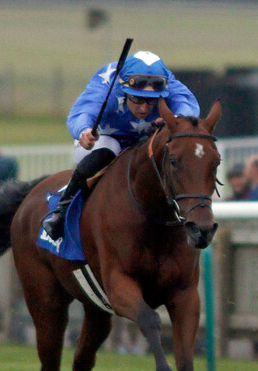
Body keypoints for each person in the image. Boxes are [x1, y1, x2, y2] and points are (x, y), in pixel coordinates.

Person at [41, 50, 200, 240]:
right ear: (124, 88)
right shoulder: (108, 84)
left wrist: (175, 120)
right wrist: (84, 130)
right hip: (105, 138)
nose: (143, 108)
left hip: (142, 140)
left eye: (151, 101)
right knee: (109, 150)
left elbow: (188, 105)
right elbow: (82, 112)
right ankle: (61, 212)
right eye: (137, 99)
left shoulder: (165, 80)